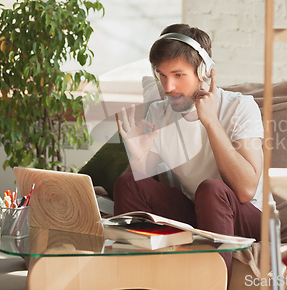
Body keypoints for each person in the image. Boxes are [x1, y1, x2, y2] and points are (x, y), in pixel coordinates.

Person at [113, 23, 266, 280]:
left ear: (204, 73)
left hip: (247, 217)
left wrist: (211, 122)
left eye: (178, 75)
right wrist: (138, 157)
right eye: (161, 75)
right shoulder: (159, 113)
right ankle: (135, 281)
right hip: (197, 213)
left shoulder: (240, 107)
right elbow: (141, 189)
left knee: (211, 189)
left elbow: (246, 189)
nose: (168, 86)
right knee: (128, 182)